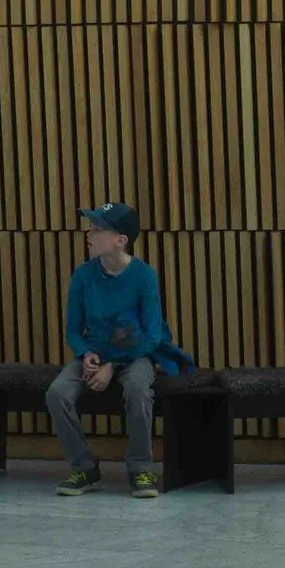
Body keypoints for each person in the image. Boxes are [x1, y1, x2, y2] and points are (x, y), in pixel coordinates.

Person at [47, 202, 190, 498]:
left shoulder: (144, 276)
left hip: (135, 354)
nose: (89, 233)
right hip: (95, 354)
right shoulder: (83, 276)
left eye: (97, 229)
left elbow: (152, 336)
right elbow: (73, 330)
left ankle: (140, 468)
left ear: (120, 240)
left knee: (138, 388)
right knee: (57, 393)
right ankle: (84, 467)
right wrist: (85, 353)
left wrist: (111, 364)